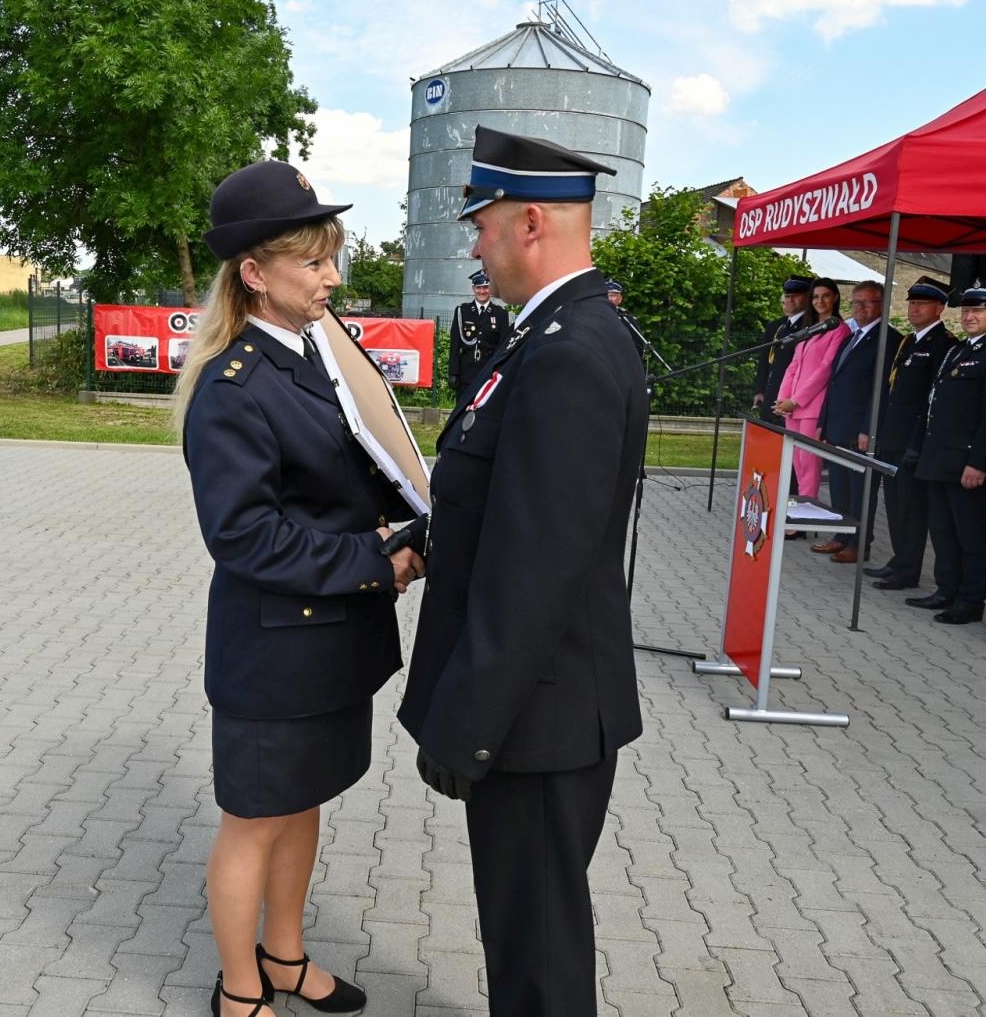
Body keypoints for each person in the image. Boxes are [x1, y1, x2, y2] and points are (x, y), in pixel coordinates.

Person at [398, 125, 648, 1016]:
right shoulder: (547, 335)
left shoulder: (569, 351)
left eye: (482, 224)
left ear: (530, 222)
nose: (474, 243)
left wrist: (465, 727)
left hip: (534, 718)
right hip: (534, 707)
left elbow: (535, 567)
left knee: (537, 952)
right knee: (523, 933)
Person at [175, 159, 425, 1017]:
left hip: (324, 640)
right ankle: (240, 990)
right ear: (255, 274)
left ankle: (285, 957)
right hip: (274, 649)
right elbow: (242, 536)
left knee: (303, 802)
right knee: (255, 820)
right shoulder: (232, 387)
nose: (332, 277)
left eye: (332, 258)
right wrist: (373, 559)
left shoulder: (311, 358)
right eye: (314, 261)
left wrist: (414, 526)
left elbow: (356, 471)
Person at [904, 283, 986, 624]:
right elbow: (934, 405)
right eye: (966, 311)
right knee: (944, 531)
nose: (969, 316)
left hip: (969, 463)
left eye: (977, 311)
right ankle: (947, 589)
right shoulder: (958, 350)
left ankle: (971, 601)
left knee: (974, 535)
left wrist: (980, 462)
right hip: (940, 458)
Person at [867, 277, 956, 590]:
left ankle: (908, 569)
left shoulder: (944, 344)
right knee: (894, 505)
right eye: (912, 303)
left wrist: (917, 442)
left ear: (940, 308)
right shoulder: (910, 342)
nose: (914, 308)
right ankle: (899, 558)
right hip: (892, 435)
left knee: (911, 508)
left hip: (913, 440)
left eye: (922, 303)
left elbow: (932, 398)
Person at [815, 280, 901, 563]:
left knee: (860, 492)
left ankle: (860, 543)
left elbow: (881, 391)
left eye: (868, 302)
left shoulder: (888, 340)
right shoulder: (851, 335)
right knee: (840, 488)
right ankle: (841, 536)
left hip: (859, 431)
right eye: (856, 302)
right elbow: (835, 382)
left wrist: (868, 428)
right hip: (838, 426)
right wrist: (823, 422)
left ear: (882, 305)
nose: (861, 308)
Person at [773, 277, 850, 499]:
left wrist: (796, 399)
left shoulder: (839, 329)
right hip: (792, 407)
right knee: (796, 462)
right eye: (816, 296)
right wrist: (783, 399)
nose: (820, 301)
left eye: (825, 296)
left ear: (835, 298)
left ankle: (805, 515)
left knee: (808, 463)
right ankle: (798, 510)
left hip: (812, 407)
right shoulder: (811, 328)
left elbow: (825, 369)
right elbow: (793, 366)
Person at [753, 277, 812, 424]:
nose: (790, 300)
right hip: (771, 393)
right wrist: (760, 389)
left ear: (807, 298)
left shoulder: (811, 326)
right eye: (787, 296)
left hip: (791, 398)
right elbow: (765, 360)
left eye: (796, 296)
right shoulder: (777, 326)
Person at [448, 268, 510, 403]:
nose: (482, 291)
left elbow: (502, 348)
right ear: (473, 289)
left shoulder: (500, 314)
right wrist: (453, 372)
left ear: (491, 289)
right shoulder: (462, 312)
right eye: (478, 287)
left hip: (488, 372)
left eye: (485, 287)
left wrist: (498, 372)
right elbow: (455, 344)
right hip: (466, 372)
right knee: (463, 410)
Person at [605, 277, 652, 361]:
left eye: (613, 295)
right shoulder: (594, 318)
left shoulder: (626, 317)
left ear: (619, 299)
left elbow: (638, 345)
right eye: (607, 296)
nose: (609, 299)